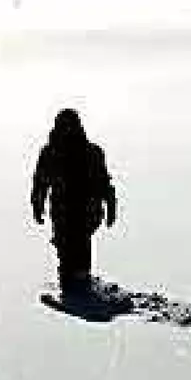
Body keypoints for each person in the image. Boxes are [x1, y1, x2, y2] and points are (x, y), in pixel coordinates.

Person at [30, 108, 116, 292]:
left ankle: (76, 282)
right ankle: (74, 281)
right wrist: (37, 204)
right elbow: (41, 182)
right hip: (69, 210)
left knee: (75, 245)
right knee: (72, 245)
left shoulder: (90, 152)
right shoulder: (53, 152)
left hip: (83, 210)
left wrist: (111, 207)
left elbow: (103, 181)